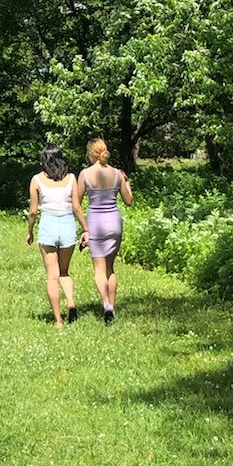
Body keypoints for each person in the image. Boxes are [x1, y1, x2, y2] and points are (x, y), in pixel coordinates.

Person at [26, 144, 86, 326]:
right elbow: (76, 207)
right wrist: (86, 228)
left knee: (52, 276)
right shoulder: (71, 178)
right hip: (67, 226)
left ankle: (59, 321)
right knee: (64, 272)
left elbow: (33, 211)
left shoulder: (36, 180)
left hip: (48, 226)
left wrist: (29, 231)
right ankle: (71, 302)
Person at [76, 137, 133, 325]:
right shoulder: (117, 173)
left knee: (99, 269)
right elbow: (129, 201)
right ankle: (113, 309)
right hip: (114, 223)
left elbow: (75, 202)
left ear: (90, 153)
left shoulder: (84, 174)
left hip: (96, 223)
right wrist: (127, 181)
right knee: (110, 268)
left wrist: (83, 228)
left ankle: (106, 304)